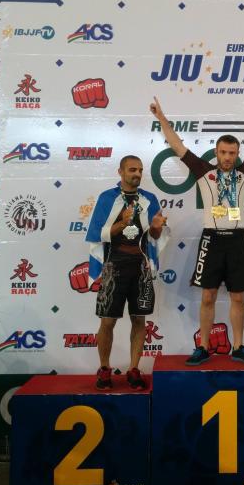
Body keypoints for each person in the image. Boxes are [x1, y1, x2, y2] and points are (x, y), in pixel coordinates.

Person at [150, 96, 244, 365]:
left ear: (237, 154)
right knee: (208, 296)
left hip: (237, 240)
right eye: (223, 152)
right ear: (216, 153)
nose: (227, 157)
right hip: (212, 240)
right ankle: (203, 347)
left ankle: (239, 346)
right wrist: (161, 118)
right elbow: (177, 145)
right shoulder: (203, 172)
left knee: (238, 297)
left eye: (232, 153)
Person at [86, 155, 168, 390]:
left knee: (139, 319)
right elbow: (96, 234)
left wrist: (156, 228)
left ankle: (133, 369)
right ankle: (104, 369)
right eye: (132, 170)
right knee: (107, 321)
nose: (137, 174)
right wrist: (121, 223)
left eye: (140, 170)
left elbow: (154, 237)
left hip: (141, 266)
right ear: (120, 172)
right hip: (114, 265)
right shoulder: (107, 198)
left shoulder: (149, 199)